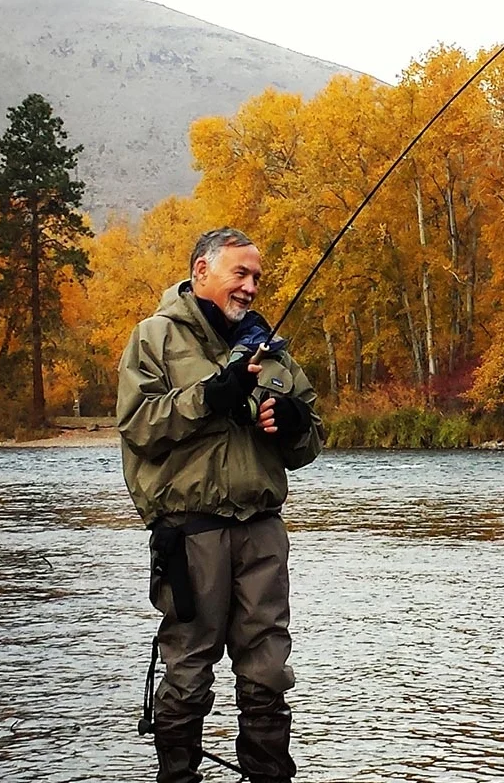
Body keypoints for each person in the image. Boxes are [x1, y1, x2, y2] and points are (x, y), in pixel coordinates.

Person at [118, 227, 324, 783]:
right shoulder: (154, 338)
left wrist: (296, 425)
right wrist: (213, 394)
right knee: (187, 668)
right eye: (241, 273)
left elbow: (309, 442)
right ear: (202, 270)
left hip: (262, 531)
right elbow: (139, 426)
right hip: (191, 532)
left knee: (267, 671)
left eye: (257, 276)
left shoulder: (272, 350)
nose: (252, 286)